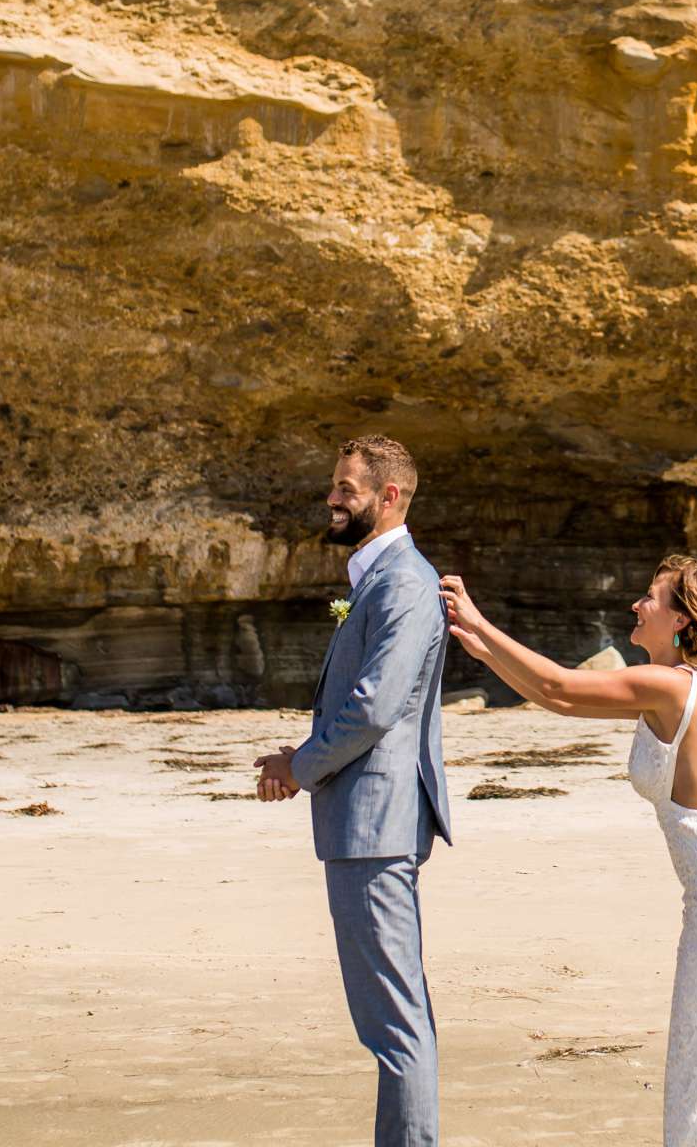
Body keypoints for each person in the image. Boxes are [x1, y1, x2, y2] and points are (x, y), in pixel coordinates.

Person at [439, 557, 697, 1146]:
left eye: (650, 598)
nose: (636, 605)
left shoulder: (670, 685)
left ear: (679, 619)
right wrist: (484, 650)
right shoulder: (671, 685)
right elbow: (558, 700)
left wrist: (480, 621)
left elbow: (561, 687)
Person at [257, 435, 453, 1147]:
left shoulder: (403, 581)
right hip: (364, 823)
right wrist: (298, 755)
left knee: (394, 1023)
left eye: (347, 488)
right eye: (335, 486)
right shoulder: (378, 577)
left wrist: (300, 767)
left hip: (375, 825)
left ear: (389, 495)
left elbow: (374, 708)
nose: (333, 499)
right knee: (390, 1018)